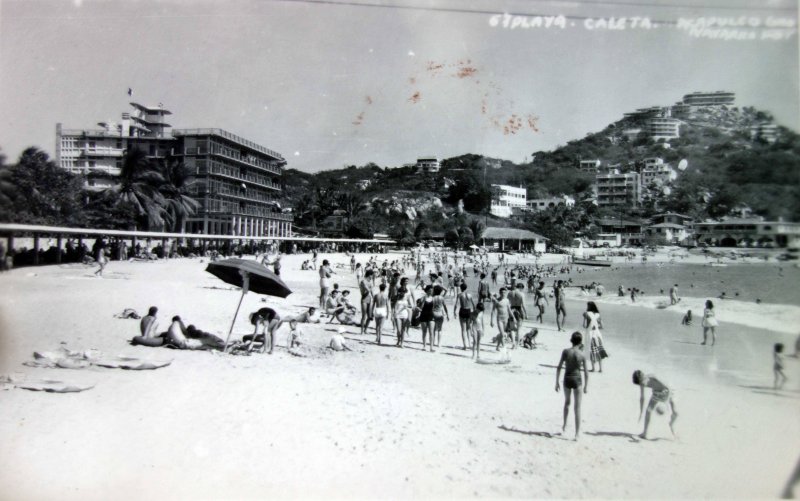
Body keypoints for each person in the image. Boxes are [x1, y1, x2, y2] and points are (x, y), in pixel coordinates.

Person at [555, 332, 589, 440]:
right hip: (577, 380)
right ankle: (577, 434)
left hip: (567, 378)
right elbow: (586, 373)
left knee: (567, 403)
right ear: (580, 342)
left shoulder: (565, 352)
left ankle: (564, 427)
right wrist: (586, 386)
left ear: (571, 340)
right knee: (577, 407)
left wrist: (556, 382)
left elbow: (559, 367)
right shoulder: (582, 354)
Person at [632, 370, 678, 440]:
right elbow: (642, 398)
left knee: (676, 412)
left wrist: (666, 403)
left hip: (667, 392)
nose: (642, 384)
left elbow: (667, 388)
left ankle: (671, 424)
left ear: (644, 377)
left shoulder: (653, 377)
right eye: (640, 383)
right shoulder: (642, 383)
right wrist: (641, 412)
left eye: (642, 381)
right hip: (656, 393)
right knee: (648, 411)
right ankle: (645, 433)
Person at [583, 301, 606, 372]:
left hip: (590, 334)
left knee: (592, 350)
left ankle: (593, 368)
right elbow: (602, 326)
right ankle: (600, 369)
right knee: (599, 350)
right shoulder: (598, 315)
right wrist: (596, 326)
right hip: (597, 334)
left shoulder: (586, 314)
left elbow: (584, 325)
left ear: (589, 307)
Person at [454, 282, 475, 351]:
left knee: (463, 330)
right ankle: (469, 344)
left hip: (462, 311)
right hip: (468, 311)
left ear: (460, 288)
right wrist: (474, 314)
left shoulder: (459, 295)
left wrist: (454, 312)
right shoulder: (470, 295)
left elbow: (456, 304)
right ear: (466, 288)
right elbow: (474, 305)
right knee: (468, 329)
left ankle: (465, 346)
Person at [418, 285, 435, 352]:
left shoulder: (433, 298)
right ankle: (424, 346)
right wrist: (423, 301)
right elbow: (419, 308)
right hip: (423, 315)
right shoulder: (423, 298)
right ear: (427, 290)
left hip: (431, 316)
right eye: (430, 290)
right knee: (424, 332)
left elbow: (434, 308)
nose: (431, 291)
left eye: (432, 290)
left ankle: (431, 347)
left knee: (431, 332)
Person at [359, 269, 374, 336]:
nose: (372, 277)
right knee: (364, 316)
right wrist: (371, 288)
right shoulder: (363, 281)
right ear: (369, 275)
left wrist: (374, 299)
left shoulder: (370, 282)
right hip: (364, 299)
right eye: (372, 275)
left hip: (369, 299)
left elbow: (371, 292)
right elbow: (367, 289)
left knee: (370, 316)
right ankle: (362, 330)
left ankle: (365, 329)